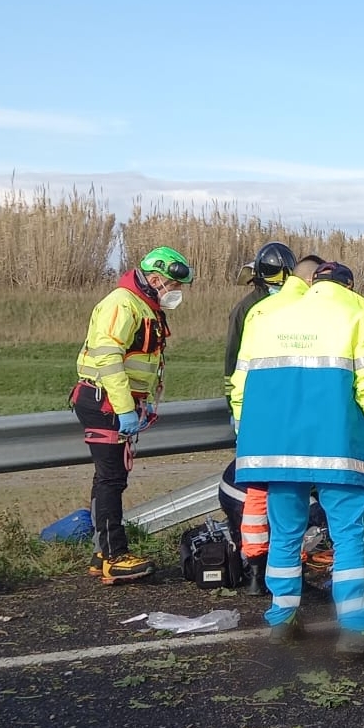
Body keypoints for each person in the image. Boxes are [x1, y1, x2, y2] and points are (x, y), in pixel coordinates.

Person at [232, 261, 364, 656]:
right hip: (336, 445)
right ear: (348, 285)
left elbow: (241, 388)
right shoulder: (358, 316)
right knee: (347, 535)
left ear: (313, 283)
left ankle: (282, 619)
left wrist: (250, 438)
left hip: (275, 448)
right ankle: (355, 630)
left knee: (285, 533)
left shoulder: (267, 318)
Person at [72, 246, 194, 584]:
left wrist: (144, 401)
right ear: (155, 279)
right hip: (106, 401)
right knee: (111, 479)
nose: (177, 293)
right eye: (174, 285)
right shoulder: (121, 304)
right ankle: (114, 557)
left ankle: (103, 552)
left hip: (115, 400)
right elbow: (109, 358)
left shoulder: (144, 306)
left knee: (109, 478)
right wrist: (126, 408)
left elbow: (143, 360)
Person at [223, 241, 301, 595]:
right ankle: (268, 570)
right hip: (271, 409)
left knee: (261, 490)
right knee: (278, 490)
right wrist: (235, 409)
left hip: (262, 411)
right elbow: (235, 364)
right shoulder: (251, 310)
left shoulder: (272, 306)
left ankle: (261, 571)